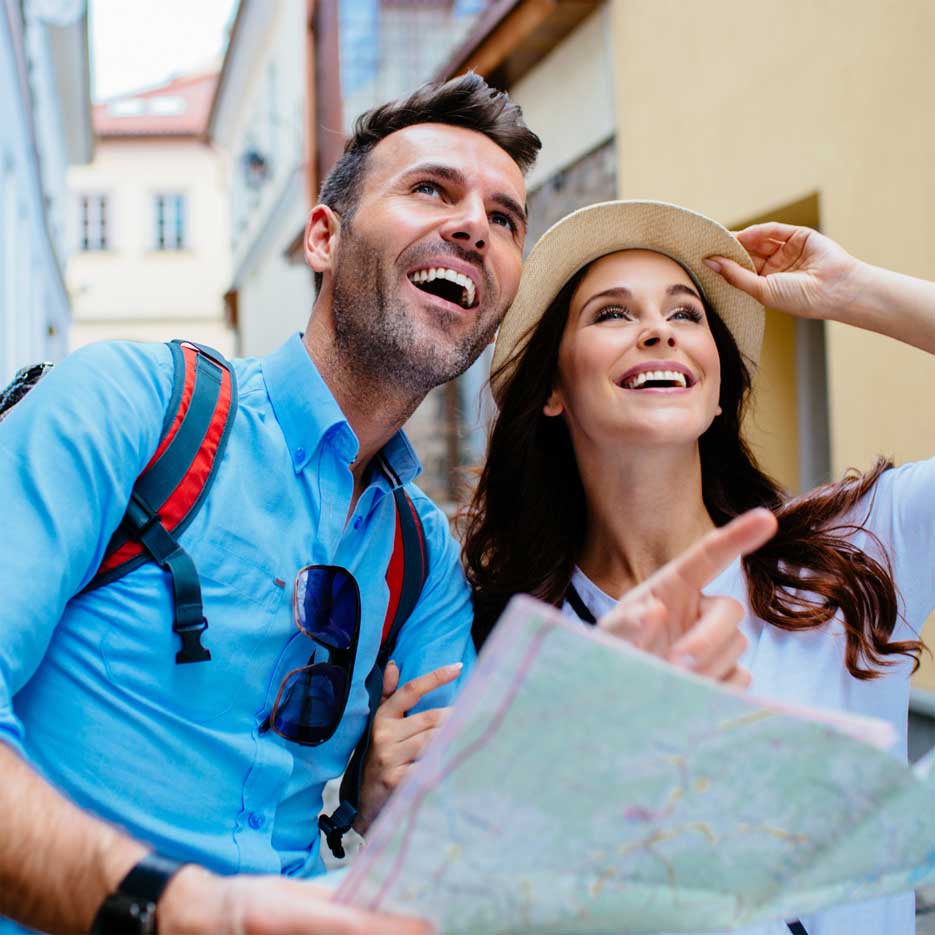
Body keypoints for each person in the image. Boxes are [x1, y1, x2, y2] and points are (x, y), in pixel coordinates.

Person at [0, 73, 541, 935]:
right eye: (430, 188)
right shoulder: (129, 406)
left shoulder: (420, 554)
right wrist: (180, 911)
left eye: (505, 218)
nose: (474, 225)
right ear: (322, 237)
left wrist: (389, 794)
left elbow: (466, 839)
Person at [452, 200, 933, 935]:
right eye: (611, 314)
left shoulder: (854, 552)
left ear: (715, 392)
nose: (657, 330)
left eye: (685, 315)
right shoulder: (505, 642)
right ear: (552, 389)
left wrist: (857, 292)